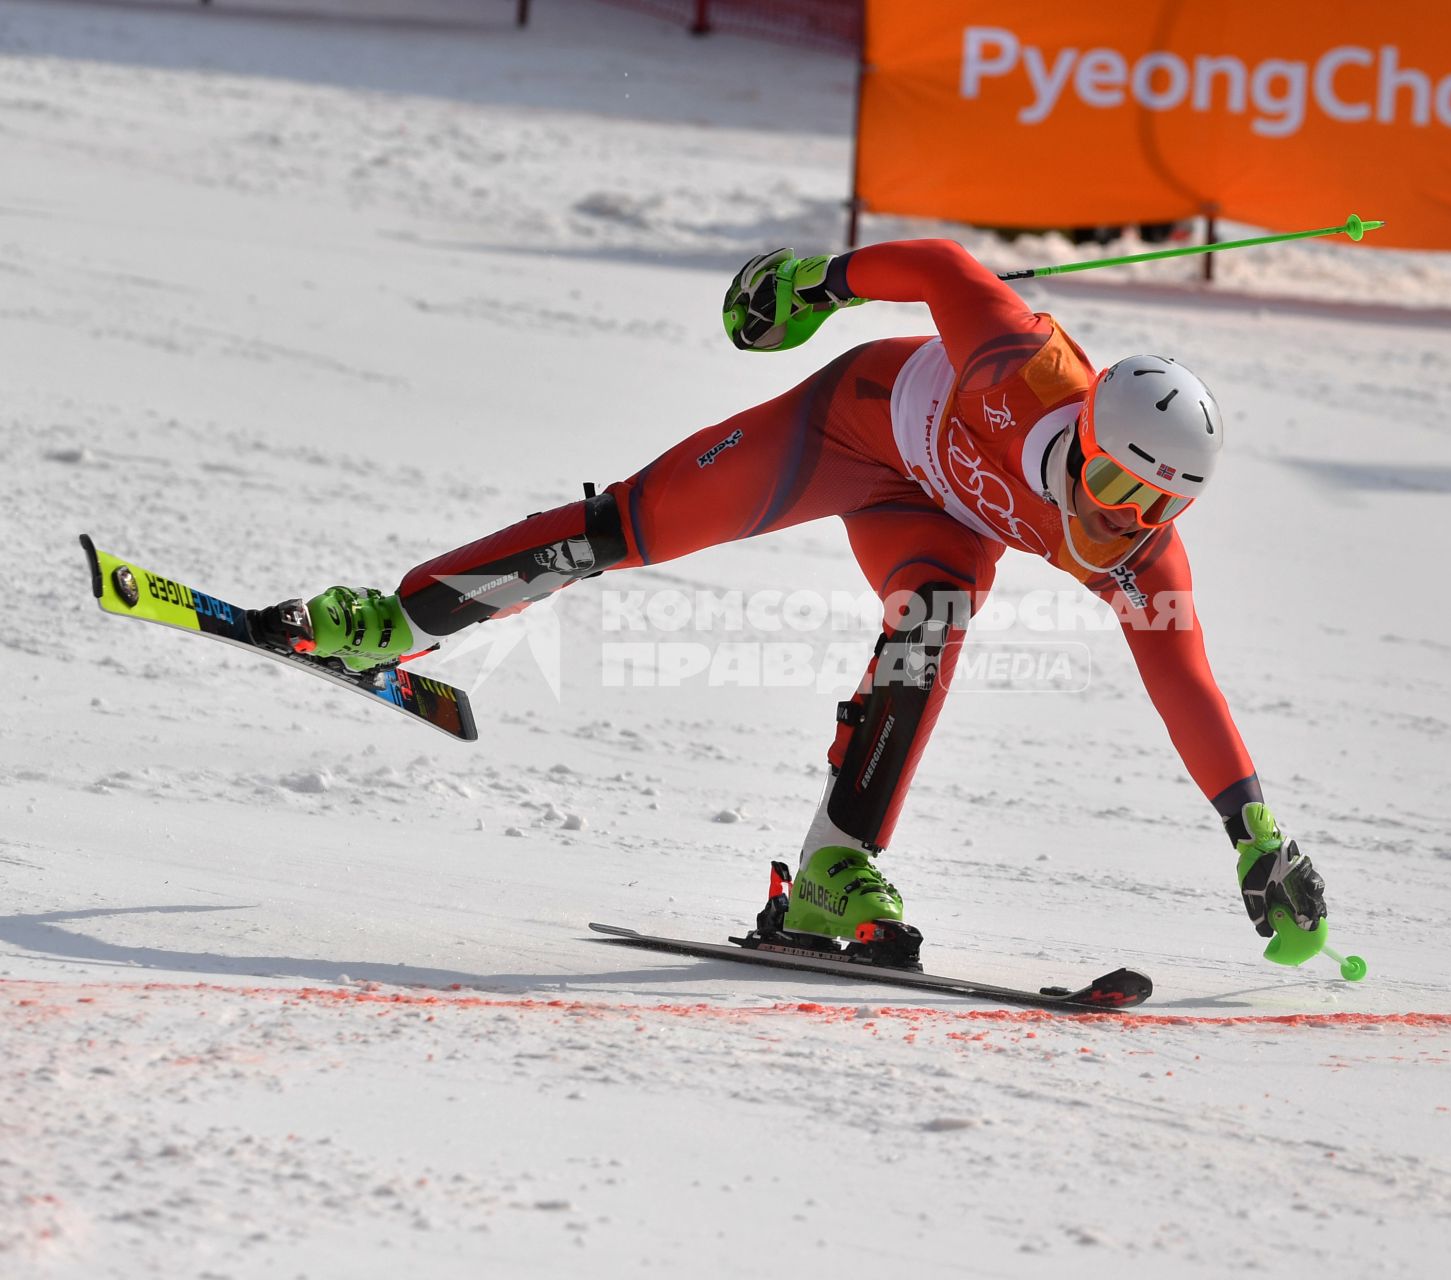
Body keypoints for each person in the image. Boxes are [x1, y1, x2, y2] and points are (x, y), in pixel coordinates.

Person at [261, 239, 1326, 966]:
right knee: (625, 526)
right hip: (849, 430)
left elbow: (1180, 676)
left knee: (930, 632)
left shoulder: (1142, 558)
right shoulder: (1020, 365)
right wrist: (820, 280)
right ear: (1085, 433)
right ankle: (393, 621)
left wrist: (1254, 833)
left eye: (1156, 504)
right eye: (1110, 483)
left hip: (938, 520)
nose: (1121, 517)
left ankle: (832, 867)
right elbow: (946, 267)